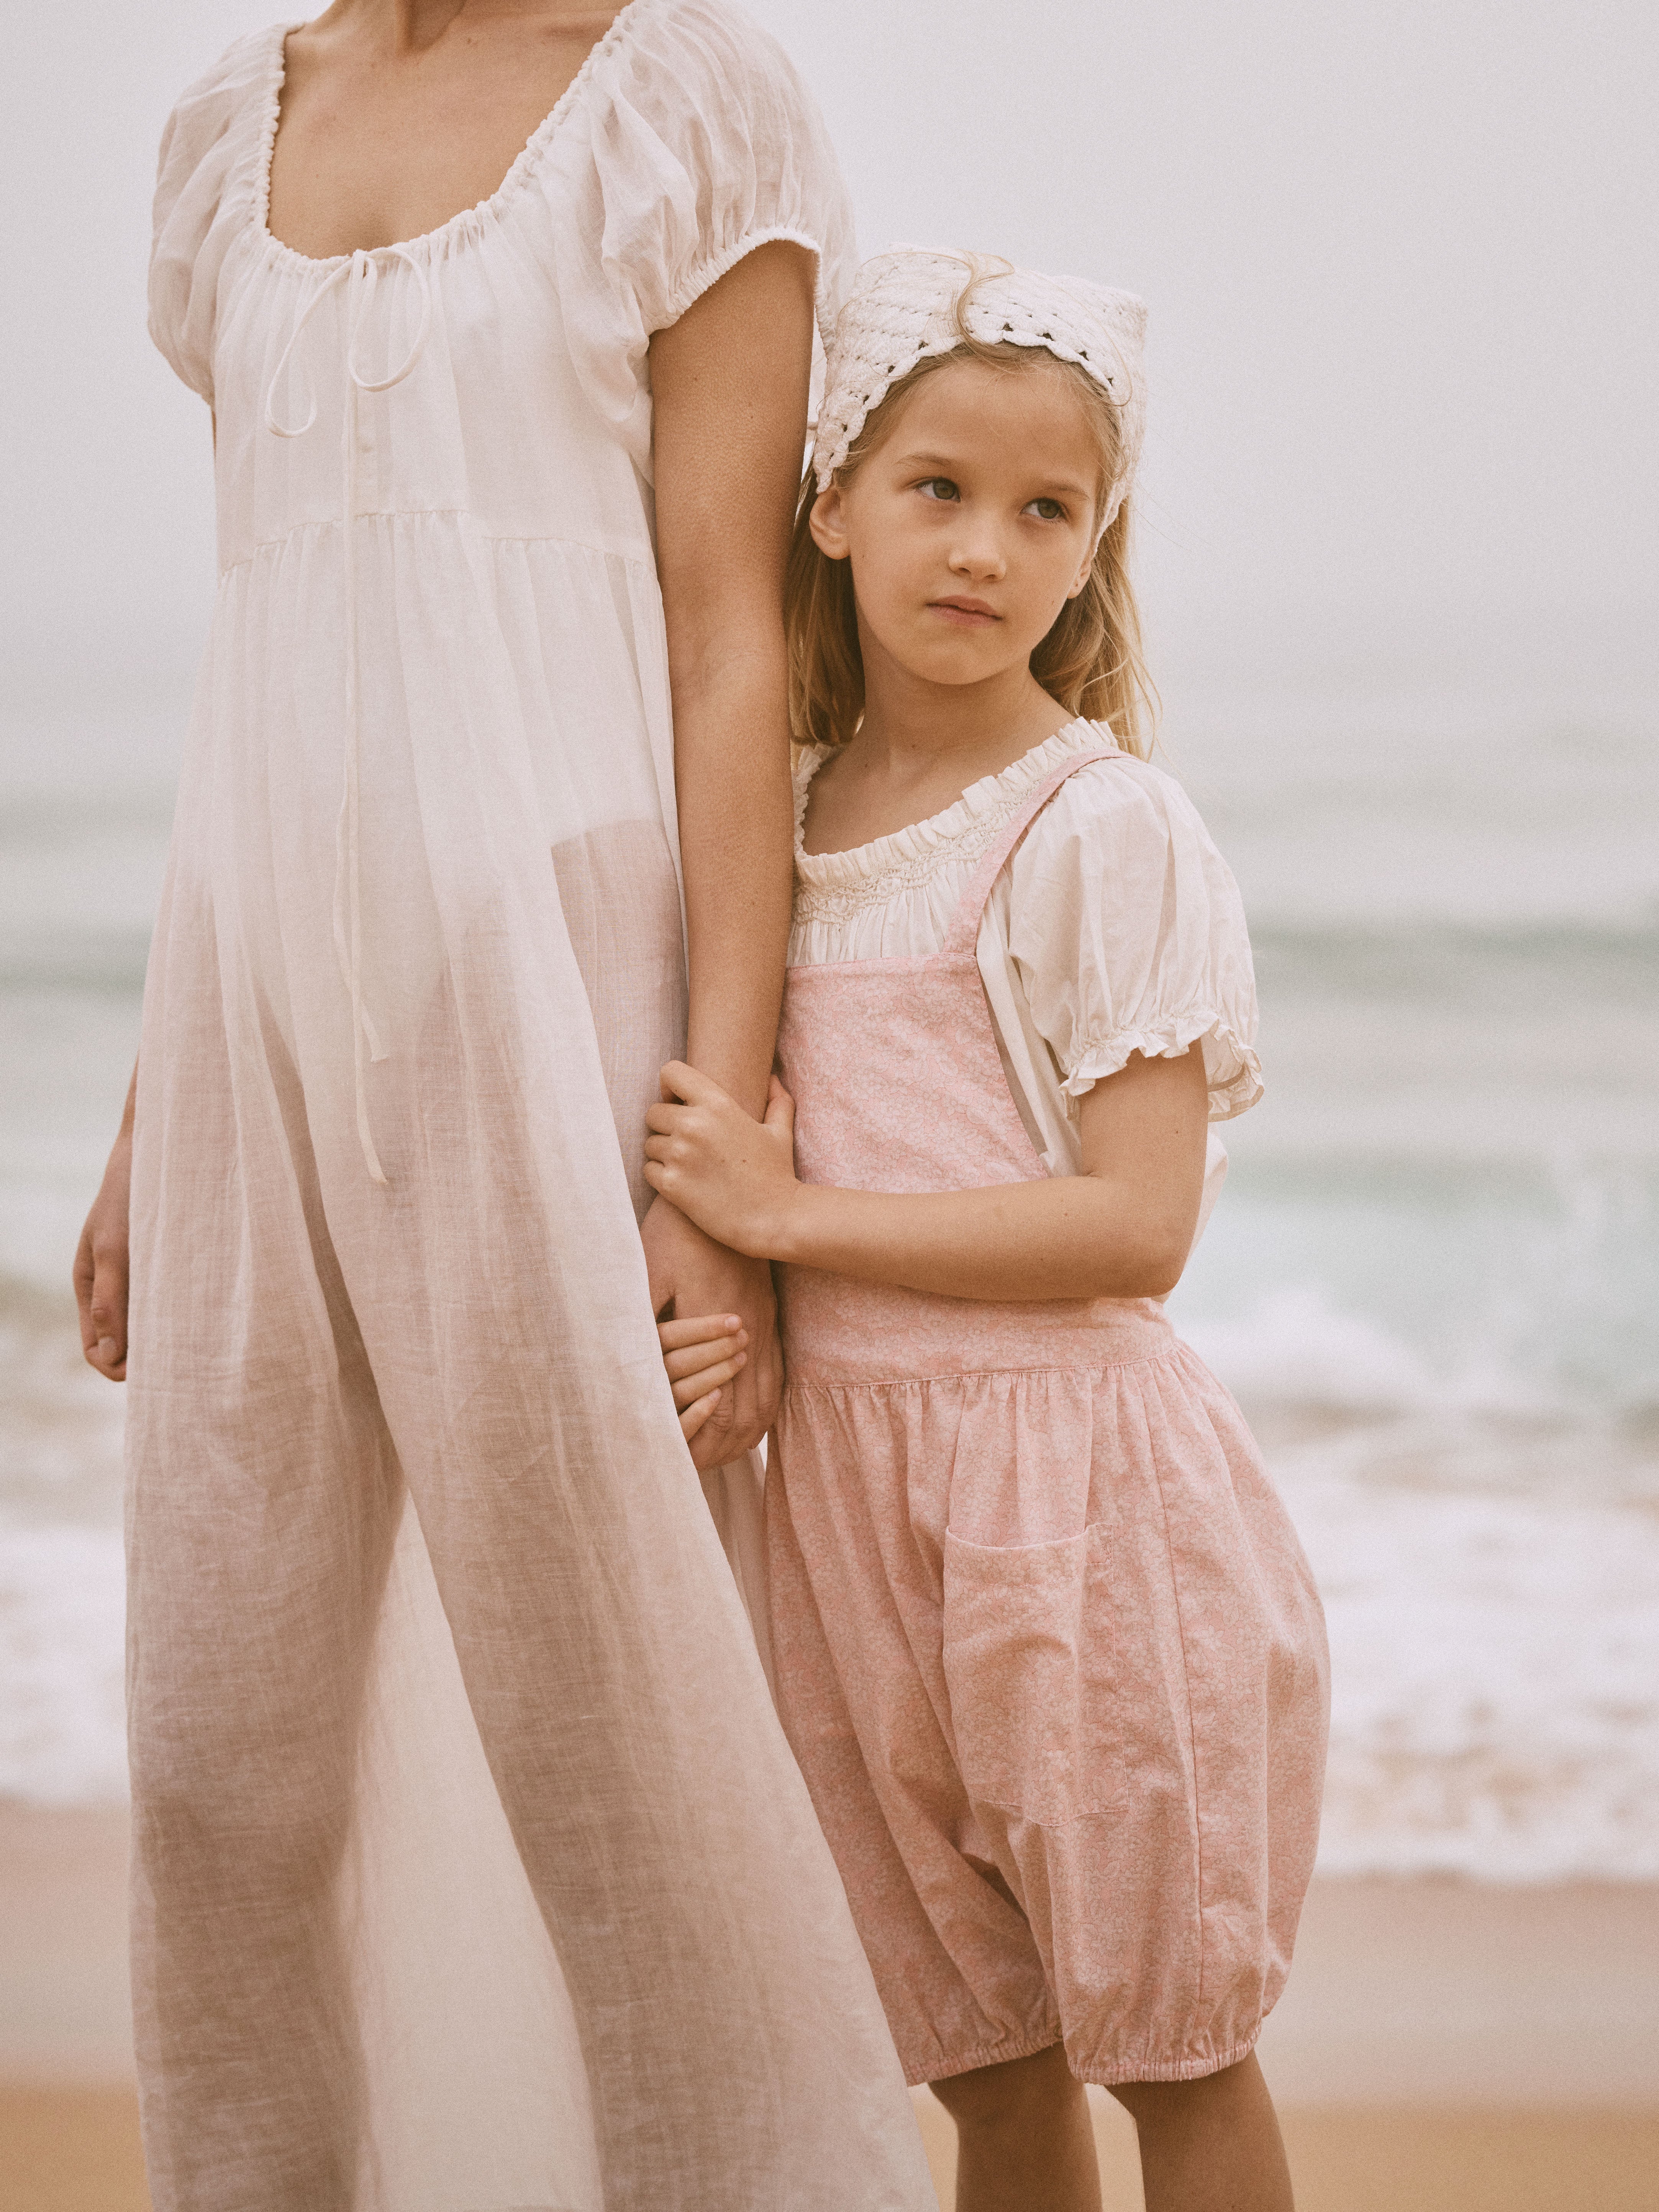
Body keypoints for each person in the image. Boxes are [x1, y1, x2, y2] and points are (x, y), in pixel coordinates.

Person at [70, 6, 938, 2207]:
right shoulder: (219, 135)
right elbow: (277, 643)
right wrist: (154, 1101)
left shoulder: (683, 104)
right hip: (254, 1002)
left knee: (612, 1747)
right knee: (216, 1765)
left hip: (560, 1001)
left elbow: (726, 629)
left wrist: (715, 1152)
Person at [647, 249, 1331, 2212]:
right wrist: (754, 1302)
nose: (987, 547)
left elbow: (1137, 1226)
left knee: (1174, 2054)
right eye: (939, 487)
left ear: (1095, 548)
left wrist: (793, 1211)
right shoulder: (771, 823)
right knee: (989, 2066)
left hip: (1080, 1509)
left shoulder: (1097, 826)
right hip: (852, 1511)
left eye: (1049, 510)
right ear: (830, 503)